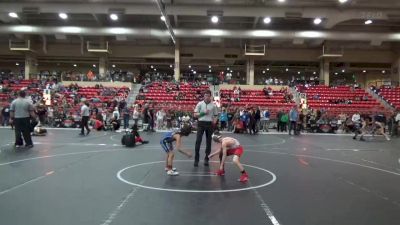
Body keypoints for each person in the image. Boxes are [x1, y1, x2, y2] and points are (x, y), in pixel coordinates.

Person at [193, 90, 218, 167]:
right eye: (205, 95)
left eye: (208, 96)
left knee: (209, 142)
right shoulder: (200, 104)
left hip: (209, 124)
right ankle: (196, 159)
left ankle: (206, 159)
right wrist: (203, 113)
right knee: (198, 141)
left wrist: (214, 122)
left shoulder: (213, 105)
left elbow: (216, 115)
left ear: (210, 96)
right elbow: (195, 115)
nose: (207, 97)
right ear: (204, 96)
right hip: (201, 123)